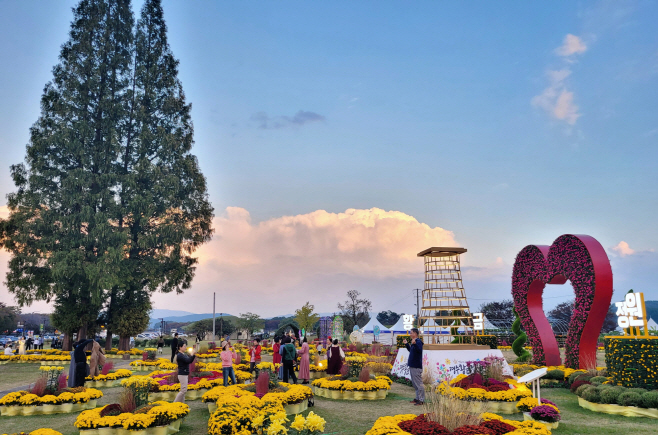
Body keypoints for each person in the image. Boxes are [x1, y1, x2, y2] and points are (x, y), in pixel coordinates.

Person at [404, 328, 424, 405]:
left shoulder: (418, 342)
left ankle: (421, 400)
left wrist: (415, 344)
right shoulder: (414, 342)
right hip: (413, 365)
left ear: (415, 333)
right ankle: (417, 398)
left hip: (416, 366)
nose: (410, 334)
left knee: (419, 384)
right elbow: (411, 350)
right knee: (415, 384)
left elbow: (419, 350)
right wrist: (406, 344)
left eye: (411, 333)